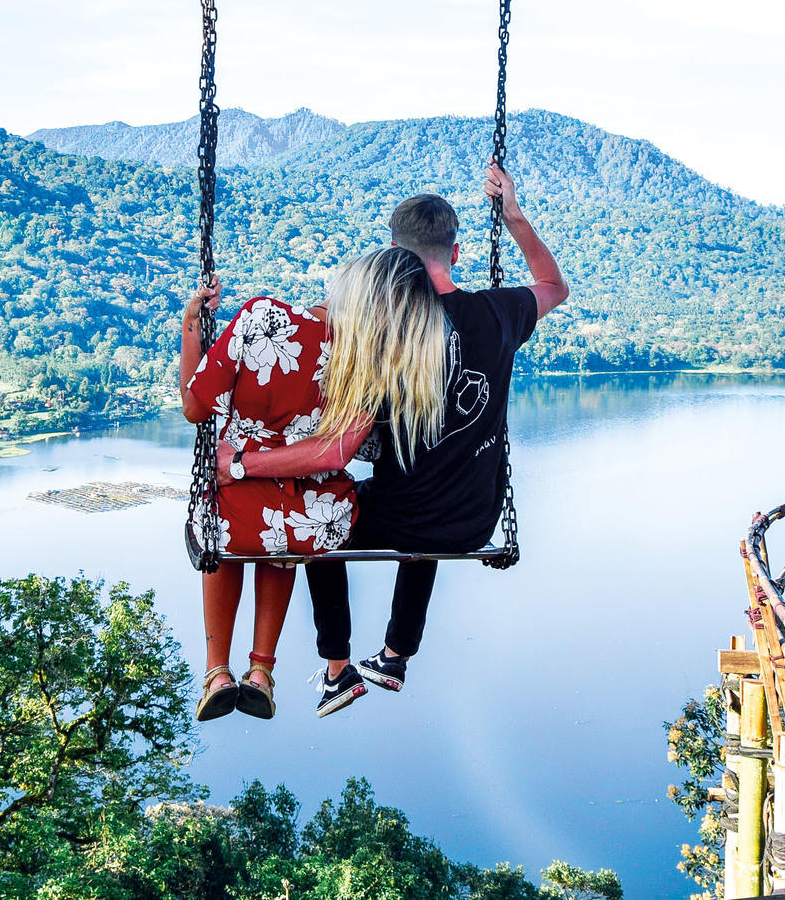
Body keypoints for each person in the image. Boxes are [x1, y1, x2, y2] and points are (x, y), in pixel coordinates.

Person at [226, 163, 569, 717]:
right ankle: (393, 656)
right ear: (454, 253)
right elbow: (554, 286)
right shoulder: (500, 312)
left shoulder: (385, 333)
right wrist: (514, 217)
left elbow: (337, 449)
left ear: (395, 257)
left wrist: (243, 461)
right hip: (475, 520)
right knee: (430, 491)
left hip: (400, 517)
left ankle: (337, 668)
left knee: (321, 517)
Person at [177, 246, 448, 722]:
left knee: (227, 526)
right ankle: (261, 670)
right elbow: (345, 452)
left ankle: (217, 671)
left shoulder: (261, 316)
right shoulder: (370, 362)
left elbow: (195, 408)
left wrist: (191, 327)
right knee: (285, 529)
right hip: (313, 521)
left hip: (235, 508)